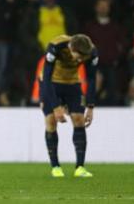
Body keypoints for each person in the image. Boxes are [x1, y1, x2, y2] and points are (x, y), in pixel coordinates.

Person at [40, 34, 98, 178]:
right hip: (51, 83)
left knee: (79, 120)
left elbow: (91, 78)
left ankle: (80, 168)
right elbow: (46, 77)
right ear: (71, 48)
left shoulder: (91, 52)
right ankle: (55, 167)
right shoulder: (55, 46)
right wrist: (55, 107)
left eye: (82, 59)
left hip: (72, 84)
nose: (79, 61)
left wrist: (90, 107)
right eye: (77, 57)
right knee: (51, 121)